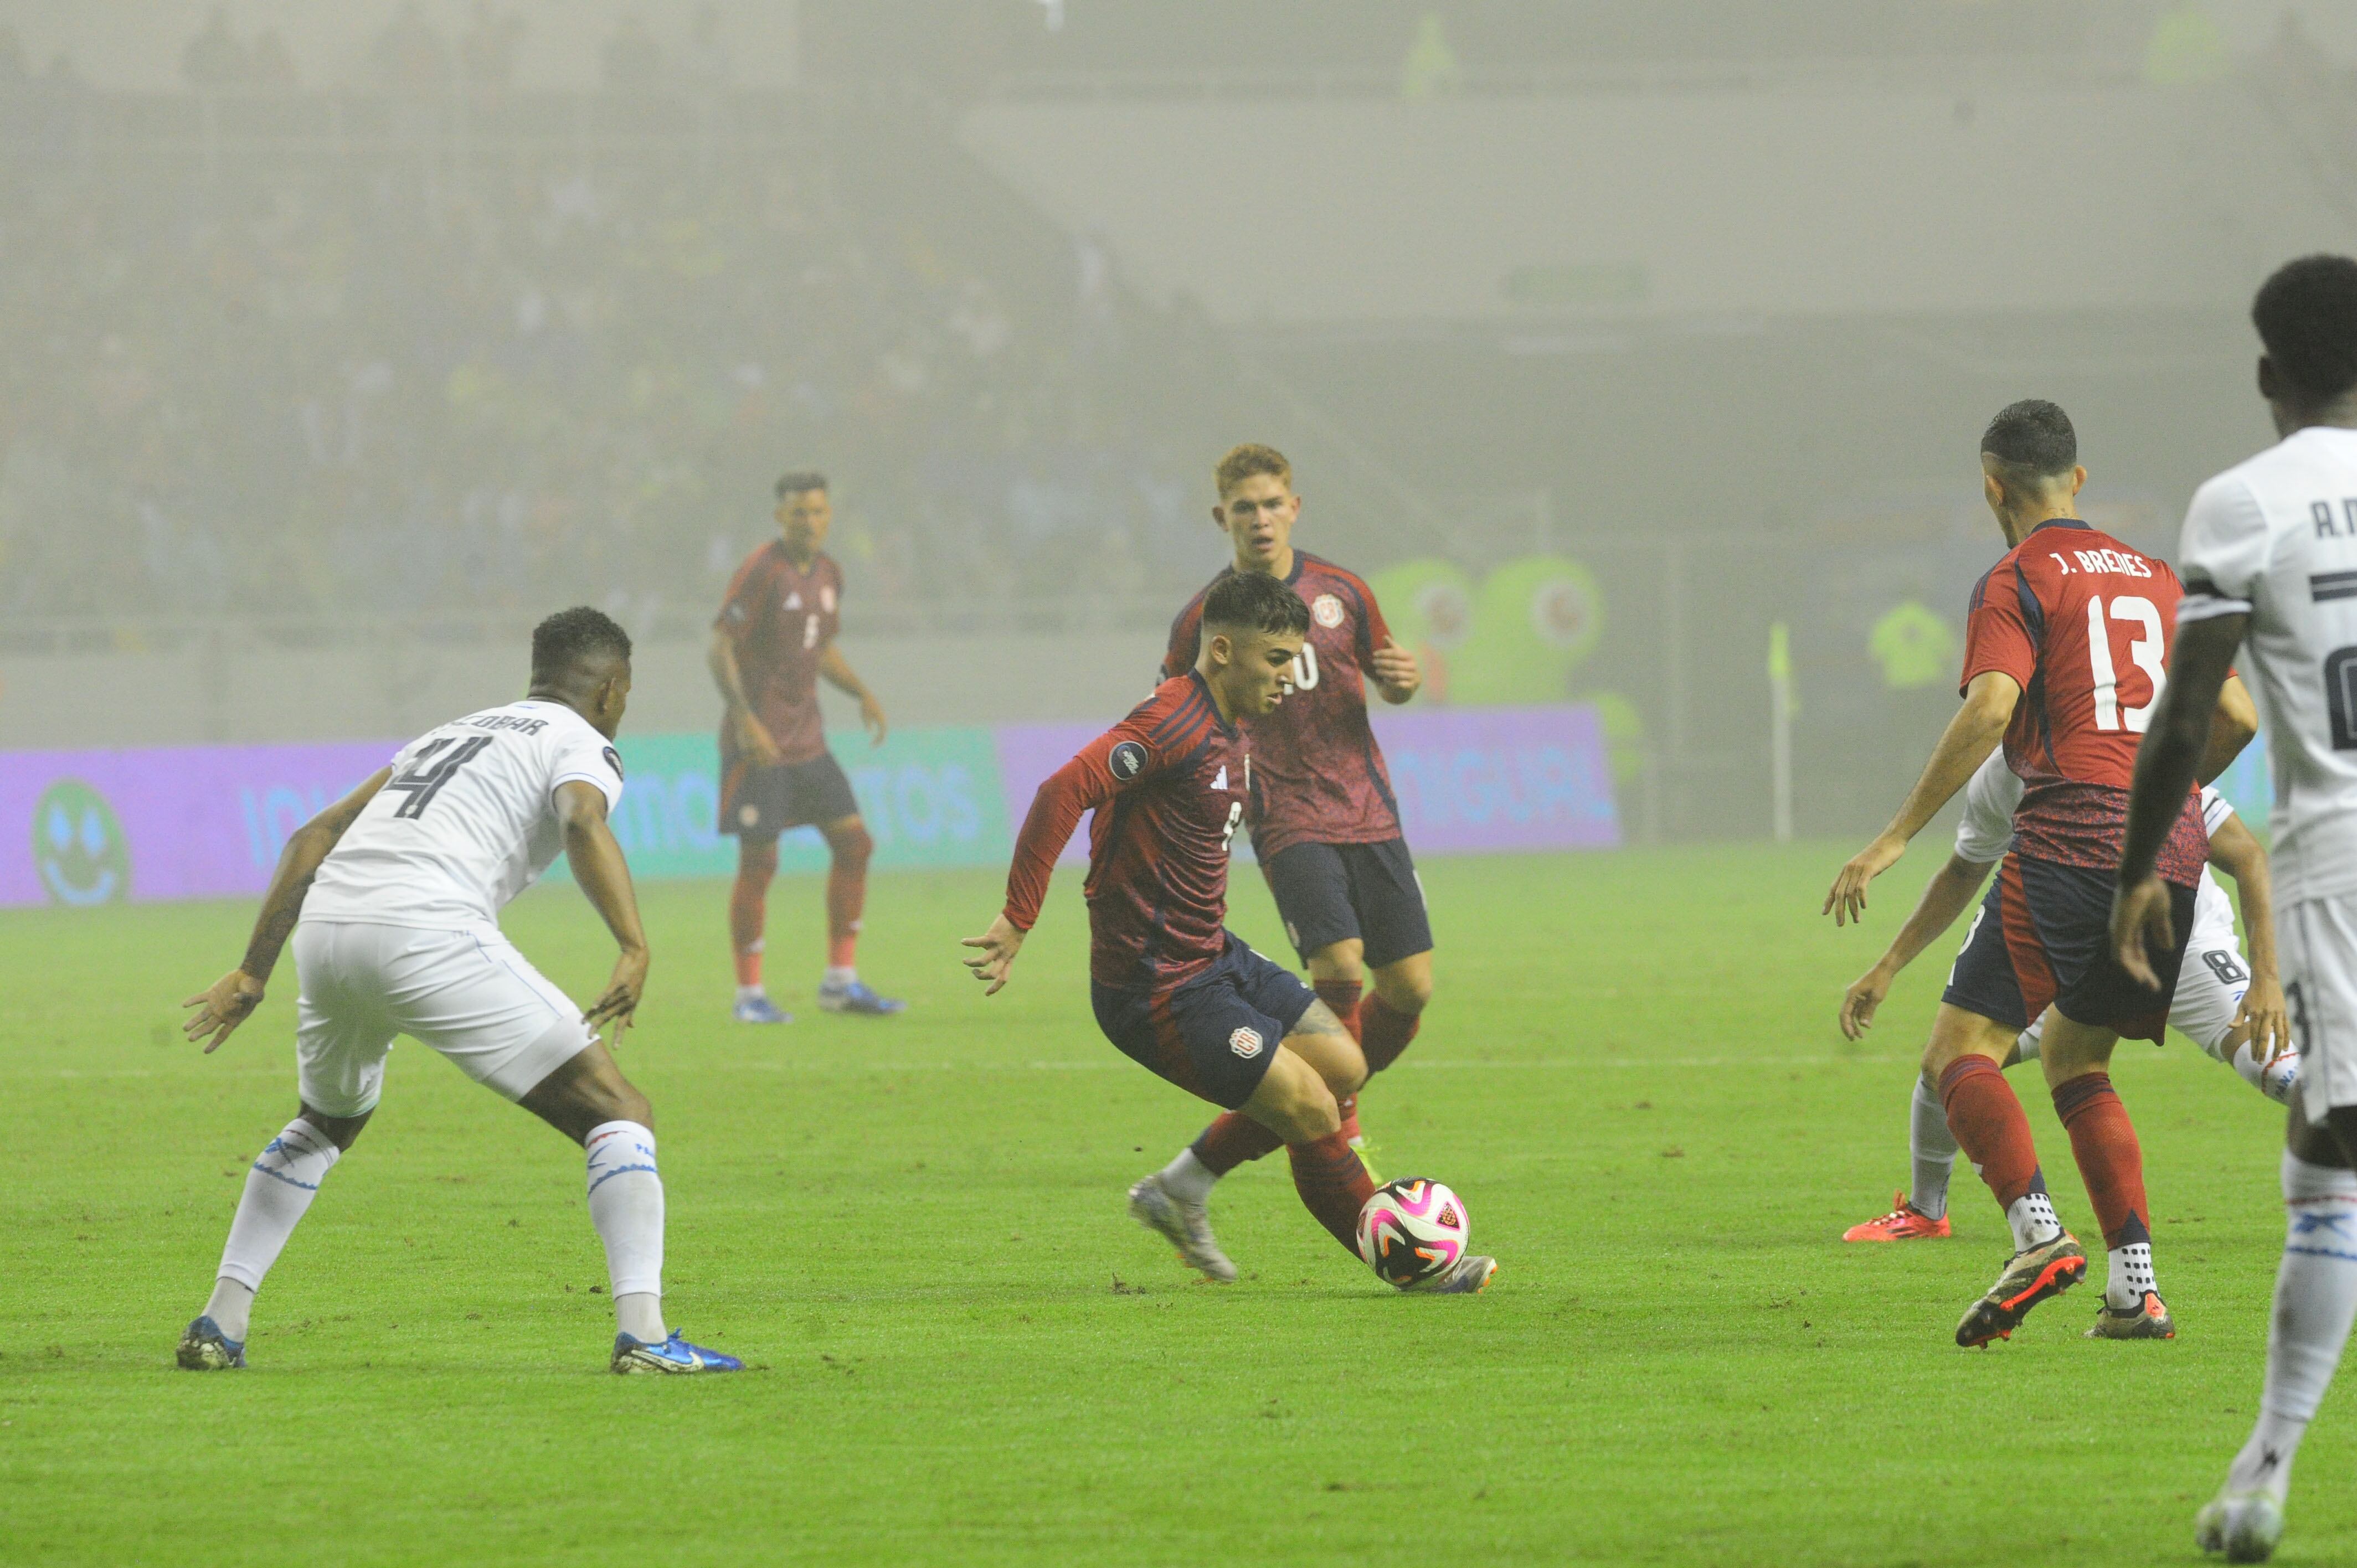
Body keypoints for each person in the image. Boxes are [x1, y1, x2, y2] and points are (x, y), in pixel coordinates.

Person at [173, 608, 739, 1376]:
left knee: (325, 1123)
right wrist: (634, 945)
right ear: (611, 688)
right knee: (620, 1112)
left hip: (331, 930)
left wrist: (252, 974)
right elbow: (581, 820)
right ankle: (644, 1336)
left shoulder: (448, 733)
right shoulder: (582, 743)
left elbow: (314, 835)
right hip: (425, 929)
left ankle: (220, 1322)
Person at [1824, 398, 2257, 1347]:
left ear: (1991, 486)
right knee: (2073, 1057)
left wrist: (1895, 834)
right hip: (2171, 857)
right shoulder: (2158, 579)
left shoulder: (2015, 578)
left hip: (2068, 838)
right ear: (2080, 480)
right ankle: (2134, 1290)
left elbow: (1990, 709)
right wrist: (2164, 801)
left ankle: (2036, 1237)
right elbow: (2237, 719)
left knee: (1956, 1056)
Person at [961, 570, 1494, 1294]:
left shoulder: (1235, 724)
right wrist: (1019, 915)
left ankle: (1180, 1187)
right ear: (1220, 652)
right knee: (1306, 1104)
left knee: (1343, 1067)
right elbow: (1064, 790)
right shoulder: (1172, 721)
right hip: (1155, 990)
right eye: (1277, 661)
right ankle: (1412, 1269)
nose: (1291, 678)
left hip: (1214, 956)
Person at [2110, 253, 2357, 1564]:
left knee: (2332, 1158)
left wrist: (2148, 863)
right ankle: (2258, 1475)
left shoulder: (2241, 505)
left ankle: (2263, 1474)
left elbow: (2183, 719)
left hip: (2341, 857)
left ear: (2267, 373)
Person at [1128, 444, 1430, 1279]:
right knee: (1336, 966)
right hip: (1282, 813)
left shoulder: (1345, 593)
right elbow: (1171, 709)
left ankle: (1192, 1175)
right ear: (1220, 516)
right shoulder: (1203, 617)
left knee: (1410, 990)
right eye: (1243, 507)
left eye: (1272, 504)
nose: (1259, 519)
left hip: (1369, 807)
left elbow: (1386, 677)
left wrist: (1401, 681)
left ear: (1295, 507)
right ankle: (1344, 1129)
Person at [1840, 750, 2295, 1244]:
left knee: (2274, 1066)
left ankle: (2074, 1256)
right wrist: (1888, 965)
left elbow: (2249, 857)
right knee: (1950, 1063)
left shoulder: (2130, 743)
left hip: (2177, 940)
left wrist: (2267, 979)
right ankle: (1927, 1212)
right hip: (2065, 946)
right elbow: (1963, 872)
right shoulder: (2004, 772)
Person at [710, 472, 902, 1022]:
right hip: (761, 746)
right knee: (759, 862)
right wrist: (745, 719)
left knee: (856, 846)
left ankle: (840, 983)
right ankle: (749, 996)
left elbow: (819, 649)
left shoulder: (828, 575)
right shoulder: (761, 571)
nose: (809, 522)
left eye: (818, 512)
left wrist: (861, 691)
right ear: (780, 517)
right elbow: (718, 646)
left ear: (828, 516)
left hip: (809, 743)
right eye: (798, 513)